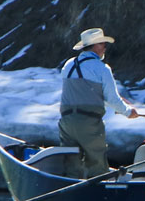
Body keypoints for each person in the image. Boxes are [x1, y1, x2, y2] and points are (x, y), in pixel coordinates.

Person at [58, 28, 140, 178]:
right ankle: (99, 194)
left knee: (71, 162)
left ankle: (70, 191)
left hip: (66, 121)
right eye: (103, 44)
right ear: (95, 46)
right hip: (89, 122)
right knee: (97, 163)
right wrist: (128, 112)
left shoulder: (69, 65)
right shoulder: (102, 68)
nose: (105, 47)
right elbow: (111, 99)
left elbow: (82, 92)